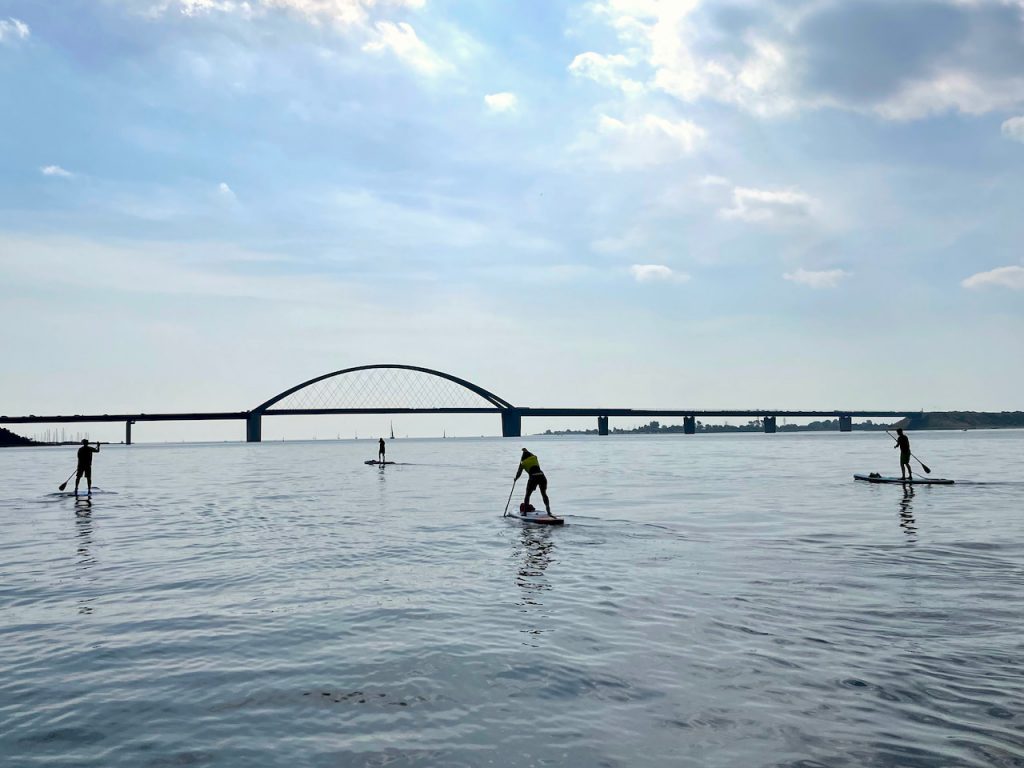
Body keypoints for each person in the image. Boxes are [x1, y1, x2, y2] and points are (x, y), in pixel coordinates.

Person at [515, 448, 552, 516]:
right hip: (542, 476)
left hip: (533, 477)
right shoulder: (534, 458)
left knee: (527, 495)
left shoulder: (523, 463)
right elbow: (531, 454)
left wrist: (515, 479)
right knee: (544, 494)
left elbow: (519, 473)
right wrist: (526, 451)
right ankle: (549, 511)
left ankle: (525, 513)